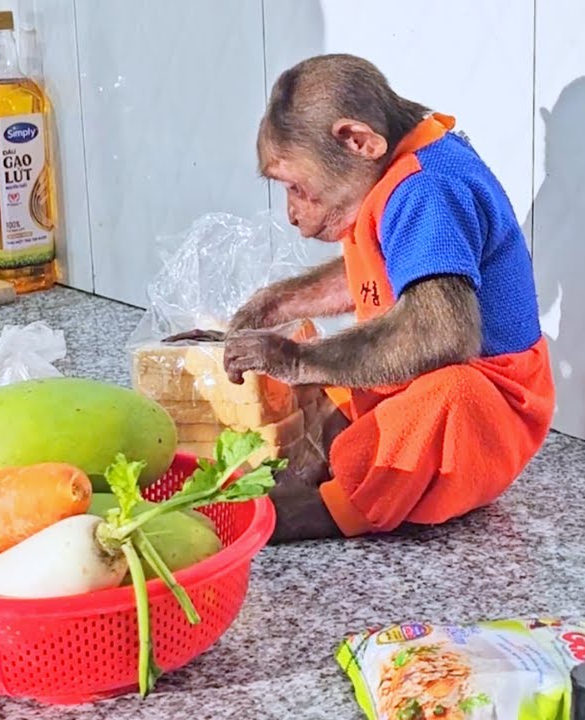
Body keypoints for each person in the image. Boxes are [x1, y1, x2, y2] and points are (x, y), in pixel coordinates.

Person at [222, 54, 555, 542]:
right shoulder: (394, 170)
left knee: (446, 395)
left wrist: (294, 360)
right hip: (422, 375)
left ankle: (339, 508)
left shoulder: (427, 188)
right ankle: (318, 471)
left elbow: (441, 331)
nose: (294, 212)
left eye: (297, 187)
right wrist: (275, 304)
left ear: (358, 141)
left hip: (491, 410)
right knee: (320, 394)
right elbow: (386, 266)